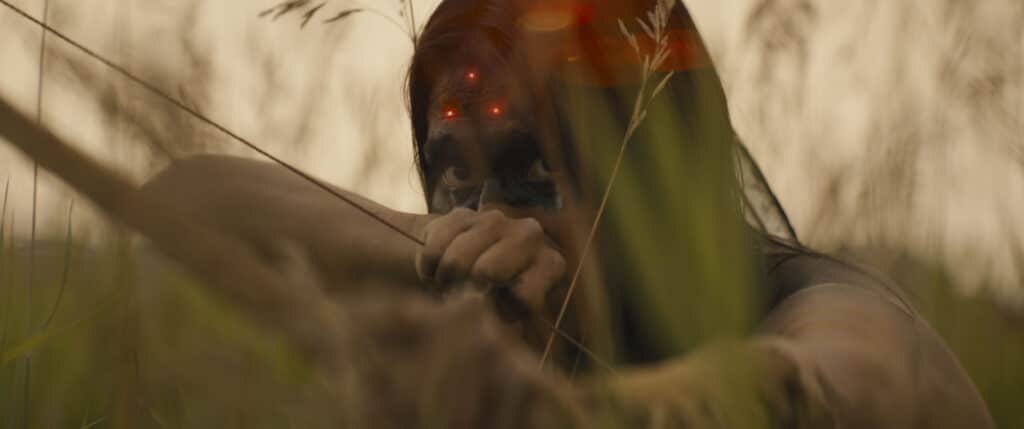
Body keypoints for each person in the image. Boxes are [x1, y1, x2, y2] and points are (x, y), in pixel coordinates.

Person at [138, 0, 994, 427]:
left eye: (537, 172)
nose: (493, 215)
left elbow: (850, 370)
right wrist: (424, 243)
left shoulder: (815, 300)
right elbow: (184, 201)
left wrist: (618, 405)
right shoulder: (478, 259)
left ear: (654, 182)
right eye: (455, 176)